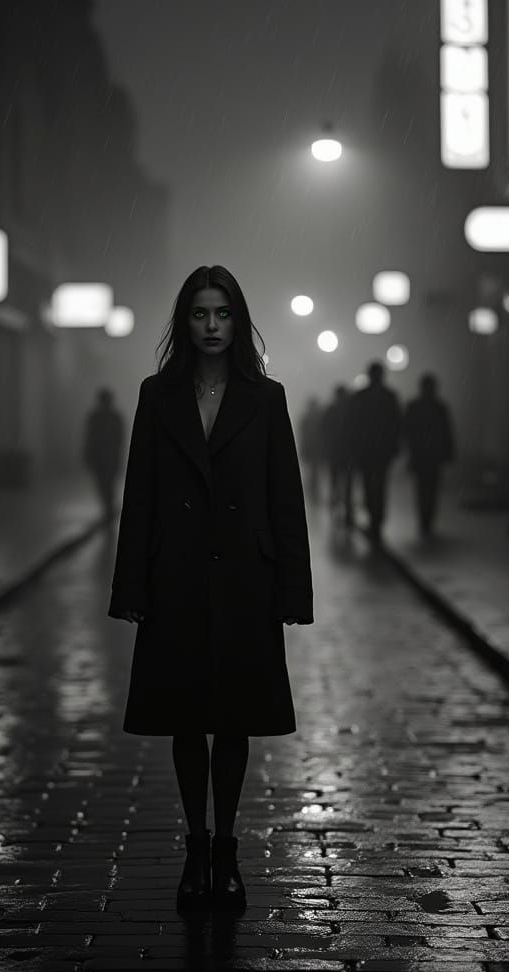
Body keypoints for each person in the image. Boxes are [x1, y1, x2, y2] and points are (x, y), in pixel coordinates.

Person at [108, 265, 313, 914]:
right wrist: (133, 585)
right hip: (176, 579)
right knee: (184, 718)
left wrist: (293, 593)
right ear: (184, 321)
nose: (212, 326)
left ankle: (226, 847)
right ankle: (194, 846)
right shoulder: (157, 394)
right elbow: (139, 493)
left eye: (222, 314)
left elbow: (286, 498)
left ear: (239, 320)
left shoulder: (267, 397)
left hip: (245, 581)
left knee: (235, 721)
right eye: (200, 314)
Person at [347, 361, 402, 548]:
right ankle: (377, 519)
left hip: (366, 451)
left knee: (369, 485)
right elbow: (396, 424)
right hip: (382, 452)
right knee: (380, 485)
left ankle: (374, 516)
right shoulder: (389, 397)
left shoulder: (360, 397)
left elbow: (352, 426)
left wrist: (354, 449)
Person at [403, 372, 455, 538]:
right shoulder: (439, 408)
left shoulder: (414, 406)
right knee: (430, 489)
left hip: (421, 455)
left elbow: (407, 431)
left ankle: (425, 520)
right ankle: (427, 521)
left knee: (423, 489)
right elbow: (447, 433)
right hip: (432, 455)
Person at [83, 387, 125, 521]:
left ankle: (108, 509)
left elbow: (119, 439)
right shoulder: (97, 417)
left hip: (108, 458)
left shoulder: (113, 417)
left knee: (108, 484)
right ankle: (108, 508)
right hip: (101, 458)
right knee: (103, 484)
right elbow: (89, 437)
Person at [321, 385, 354, 524]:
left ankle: (336, 504)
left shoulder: (331, 411)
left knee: (335, 480)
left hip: (335, 452)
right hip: (347, 453)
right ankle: (346, 508)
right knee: (348, 482)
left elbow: (324, 432)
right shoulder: (350, 411)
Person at [297, 396, 326, 502]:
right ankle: (314, 490)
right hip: (316, 449)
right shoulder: (319, 418)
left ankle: (311, 490)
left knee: (312, 471)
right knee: (315, 471)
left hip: (309, 449)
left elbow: (303, 436)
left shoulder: (306, 418)